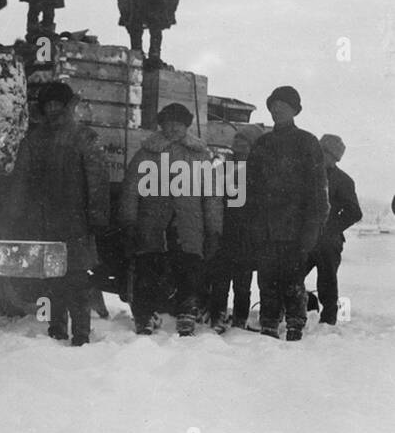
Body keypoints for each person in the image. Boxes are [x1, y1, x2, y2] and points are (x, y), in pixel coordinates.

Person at [6, 81, 109, 346]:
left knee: (77, 281)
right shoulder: (34, 140)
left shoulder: (84, 137)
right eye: (48, 104)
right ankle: (57, 330)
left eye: (57, 104)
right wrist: (16, 216)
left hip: (77, 222)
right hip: (45, 221)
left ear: (67, 105)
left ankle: (82, 335)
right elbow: (21, 181)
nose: (52, 109)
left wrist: (97, 217)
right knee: (52, 281)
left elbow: (97, 182)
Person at [118, 103, 222, 336]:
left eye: (179, 123)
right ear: (161, 125)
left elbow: (212, 196)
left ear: (187, 126)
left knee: (189, 268)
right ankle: (144, 315)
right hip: (151, 222)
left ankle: (187, 312)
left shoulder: (200, 155)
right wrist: (129, 222)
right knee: (147, 269)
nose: (174, 128)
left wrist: (214, 229)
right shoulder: (146, 154)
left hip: (189, 224)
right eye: (169, 122)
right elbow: (131, 191)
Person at [244, 86, 329, 341]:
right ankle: (269, 322)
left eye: (283, 105)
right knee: (267, 279)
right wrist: (251, 223)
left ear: (294, 111)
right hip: (265, 226)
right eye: (273, 105)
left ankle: (295, 324)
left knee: (293, 280)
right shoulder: (262, 143)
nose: (277, 110)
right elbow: (249, 187)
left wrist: (312, 229)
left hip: (295, 227)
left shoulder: (307, 142)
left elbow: (317, 190)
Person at [205, 124, 265, 331]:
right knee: (221, 279)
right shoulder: (223, 169)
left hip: (247, 235)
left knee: (243, 282)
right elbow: (213, 200)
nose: (240, 145)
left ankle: (239, 319)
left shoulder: (261, 173)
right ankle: (218, 317)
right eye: (238, 141)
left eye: (245, 142)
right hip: (226, 231)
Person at [305, 134, 362, 325]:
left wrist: (331, 229)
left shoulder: (343, 180)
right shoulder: (305, 174)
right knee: (291, 277)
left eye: (324, 153)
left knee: (327, 283)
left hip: (328, 244)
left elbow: (354, 212)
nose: (319, 156)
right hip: (303, 239)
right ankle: (303, 307)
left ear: (334, 157)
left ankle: (328, 321)